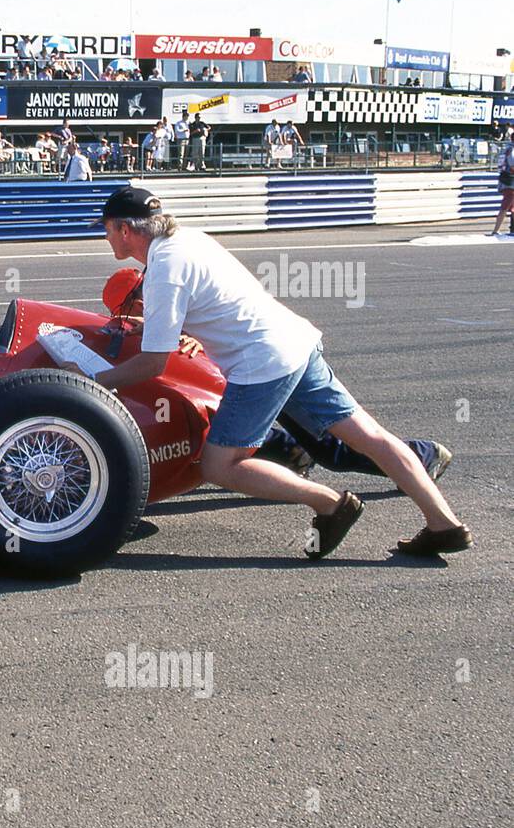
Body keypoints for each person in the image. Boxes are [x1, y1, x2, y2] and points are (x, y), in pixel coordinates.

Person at [88, 187, 471, 558]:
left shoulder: (164, 268)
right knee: (370, 437)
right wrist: (153, 327)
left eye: (106, 230)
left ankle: (330, 503)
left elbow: (154, 363)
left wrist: (92, 382)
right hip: (296, 342)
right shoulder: (188, 240)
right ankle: (444, 523)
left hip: (263, 363)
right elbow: (214, 301)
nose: (106, 239)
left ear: (124, 229)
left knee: (219, 465)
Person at [99, 268, 453, 481]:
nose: (130, 320)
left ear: (138, 301)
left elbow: (210, 322)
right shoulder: (169, 292)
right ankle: (293, 453)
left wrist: (192, 339)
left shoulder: (174, 296)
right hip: (259, 368)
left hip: (267, 366)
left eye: (128, 313)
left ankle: (422, 456)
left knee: (332, 450)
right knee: (259, 435)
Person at [489, 128, 514, 236]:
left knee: (511, 207)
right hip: (511, 181)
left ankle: (511, 229)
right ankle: (495, 230)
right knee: (505, 206)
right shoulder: (511, 150)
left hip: (505, 178)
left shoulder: (505, 149)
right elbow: (512, 165)